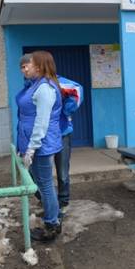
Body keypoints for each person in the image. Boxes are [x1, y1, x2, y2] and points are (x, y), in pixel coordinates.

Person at [17, 51, 63, 242]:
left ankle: (52, 225)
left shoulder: (45, 89)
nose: (30, 66)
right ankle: (53, 215)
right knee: (43, 184)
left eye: (33, 63)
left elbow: (41, 122)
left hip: (42, 144)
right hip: (35, 142)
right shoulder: (37, 85)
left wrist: (32, 147)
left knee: (45, 185)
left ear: (41, 66)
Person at [55, 75, 83, 209]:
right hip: (42, 135)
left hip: (62, 133)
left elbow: (77, 90)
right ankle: (46, 199)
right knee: (35, 171)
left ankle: (63, 199)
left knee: (62, 170)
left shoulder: (58, 82)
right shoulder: (32, 84)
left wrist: (66, 112)